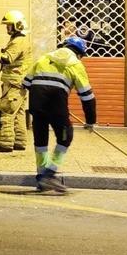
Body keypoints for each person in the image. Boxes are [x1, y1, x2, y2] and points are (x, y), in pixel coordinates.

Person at [22, 36, 95, 193]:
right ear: (80, 53)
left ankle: (41, 177)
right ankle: (49, 174)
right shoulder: (76, 64)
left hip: (37, 107)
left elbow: (26, 83)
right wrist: (90, 121)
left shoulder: (43, 58)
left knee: (40, 141)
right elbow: (87, 96)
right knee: (65, 137)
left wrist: (43, 99)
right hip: (56, 109)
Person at [0, 10, 30, 153]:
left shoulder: (18, 42)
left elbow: (7, 59)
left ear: (18, 25)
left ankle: (5, 144)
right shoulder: (20, 40)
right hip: (19, 83)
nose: (7, 28)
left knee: (7, 113)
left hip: (14, 83)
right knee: (18, 113)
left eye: (9, 25)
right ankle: (19, 141)